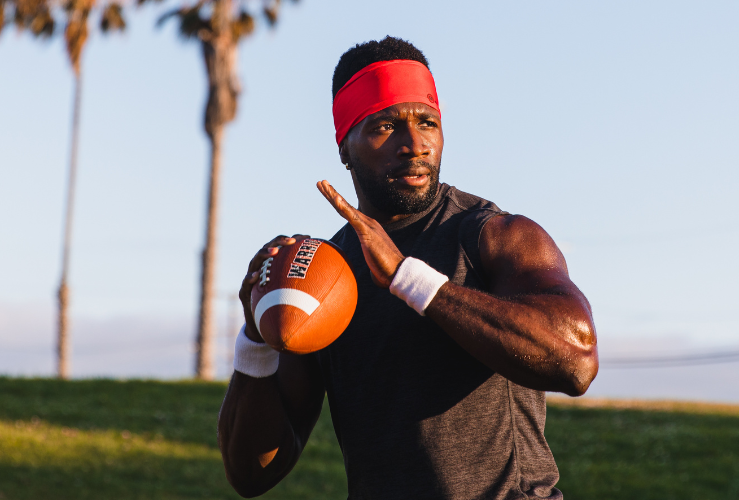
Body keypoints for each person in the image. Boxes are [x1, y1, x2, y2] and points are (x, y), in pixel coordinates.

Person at [218, 36, 599, 499]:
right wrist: (256, 337)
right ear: (345, 146)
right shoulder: (324, 278)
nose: (414, 145)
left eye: (428, 123)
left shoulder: (493, 234)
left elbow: (575, 362)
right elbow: (251, 474)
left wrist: (410, 279)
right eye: (385, 126)